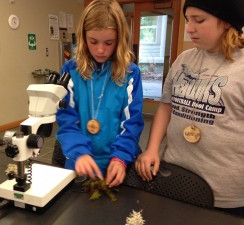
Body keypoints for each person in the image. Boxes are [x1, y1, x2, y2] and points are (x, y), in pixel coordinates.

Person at [135, 0, 244, 217]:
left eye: (199, 20)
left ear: (225, 22)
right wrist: (152, 148)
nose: (189, 28)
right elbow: (166, 106)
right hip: (174, 177)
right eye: (187, 19)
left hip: (224, 194)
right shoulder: (184, 60)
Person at [54, 0, 144, 188]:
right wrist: (79, 152)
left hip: (117, 166)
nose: (100, 50)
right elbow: (66, 119)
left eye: (108, 43)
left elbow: (131, 123)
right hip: (79, 165)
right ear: (83, 37)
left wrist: (120, 157)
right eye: (93, 42)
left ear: (119, 40)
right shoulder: (71, 70)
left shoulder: (130, 73)